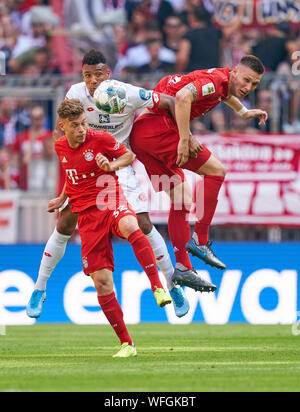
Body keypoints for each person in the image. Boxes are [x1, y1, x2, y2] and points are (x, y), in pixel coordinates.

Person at [26, 49, 194, 321]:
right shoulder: (76, 94)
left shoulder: (129, 93)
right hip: (86, 161)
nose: (92, 81)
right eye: (87, 75)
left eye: (97, 74)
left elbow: (171, 102)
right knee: (65, 222)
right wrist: (64, 189)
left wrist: (183, 136)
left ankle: (172, 285)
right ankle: (39, 288)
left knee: (143, 223)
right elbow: (68, 128)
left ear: (108, 74)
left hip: (120, 162)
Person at [130, 55, 268, 288]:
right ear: (235, 71)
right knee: (216, 171)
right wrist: (186, 137)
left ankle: (183, 267)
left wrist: (244, 113)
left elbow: (225, 94)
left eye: (254, 84)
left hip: (142, 136)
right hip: (158, 129)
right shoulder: (214, 81)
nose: (248, 87)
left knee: (181, 199)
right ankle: (201, 240)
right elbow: (183, 97)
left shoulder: (223, 82)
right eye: (246, 80)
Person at [53, 99, 172, 357]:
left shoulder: (100, 139)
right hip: (86, 217)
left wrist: (112, 166)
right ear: (63, 126)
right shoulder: (60, 146)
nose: (82, 129)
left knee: (131, 225)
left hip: (110, 199)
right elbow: (70, 174)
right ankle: (127, 344)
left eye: (84, 123)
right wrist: (62, 199)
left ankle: (157, 286)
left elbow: (129, 155)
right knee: (102, 283)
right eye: (76, 126)